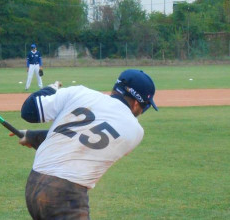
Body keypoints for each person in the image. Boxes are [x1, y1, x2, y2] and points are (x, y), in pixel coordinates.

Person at [12, 69, 157, 219]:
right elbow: (85, 139)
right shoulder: (135, 131)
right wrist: (33, 137)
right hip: (66, 195)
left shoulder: (79, 93)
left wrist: (51, 88)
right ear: (135, 104)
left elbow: (29, 111)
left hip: (34, 185)